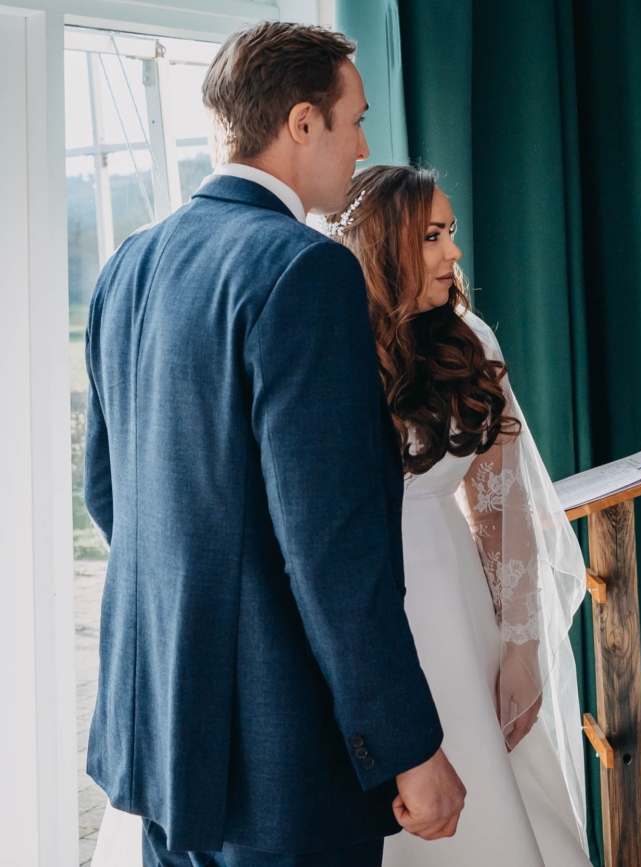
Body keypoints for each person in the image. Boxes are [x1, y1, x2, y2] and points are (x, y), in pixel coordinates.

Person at [84, 23, 464, 867]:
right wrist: (411, 745)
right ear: (301, 123)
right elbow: (332, 546)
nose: (364, 147)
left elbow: (111, 496)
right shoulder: (304, 269)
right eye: (355, 120)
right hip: (280, 756)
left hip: (160, 736)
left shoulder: (127, 264)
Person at [324, 164, 591, 866]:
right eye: (433, 235)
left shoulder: (469, 343)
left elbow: (503, 510)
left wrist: (522, 645)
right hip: (363, 610)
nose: (454, 252)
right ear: (383, 246)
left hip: (457, 606)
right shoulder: (324, 345)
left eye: (452, 232)